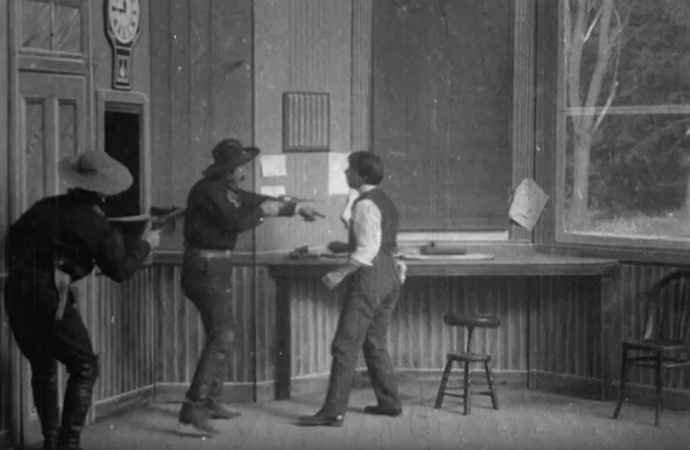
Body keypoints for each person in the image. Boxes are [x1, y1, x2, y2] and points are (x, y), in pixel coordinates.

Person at [3, 151, 161, 450]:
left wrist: (57, 265)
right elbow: (120, 271)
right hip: (49, 297)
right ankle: (68, 444)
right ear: (104, 190)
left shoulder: (44, 207)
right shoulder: (95, 223)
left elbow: (12, 242)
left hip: (16, 292)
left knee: (43, 365)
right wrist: (145, 244)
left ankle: (52, 442)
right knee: (85, 365)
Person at [178, 138, 323, 434]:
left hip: (214, 266)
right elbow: (234, 221)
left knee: (222, 334)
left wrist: (294, 208)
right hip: (204, 267)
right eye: (240, 167)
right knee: (222, 335)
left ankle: (209, 401)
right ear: (228, 170)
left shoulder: (225, 189)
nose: (244, 172)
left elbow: (254, 200)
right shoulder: (207, 191)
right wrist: (266, 211)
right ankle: (193, 406)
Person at [299, 150, 405, 427]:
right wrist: (346, 246)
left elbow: (367, 251)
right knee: (375, 342)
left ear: (362, 175)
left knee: (345, 346)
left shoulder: (364, 204)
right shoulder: (384, 200)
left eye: (350, 169)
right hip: (390, 276)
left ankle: (333, 412)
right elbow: (380, 240)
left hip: (370, 279)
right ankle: (390, 403)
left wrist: (337, 274)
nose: (346, 173)